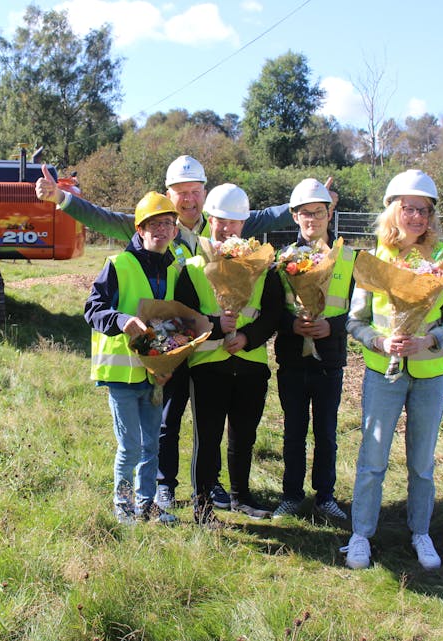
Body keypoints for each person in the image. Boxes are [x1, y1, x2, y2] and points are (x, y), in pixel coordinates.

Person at [37, 155, 297, 514]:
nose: (189, 199)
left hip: (203, 345)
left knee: (207, 424)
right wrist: (62, 198)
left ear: (204, 193)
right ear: (166, 196)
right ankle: (161, 488)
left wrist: (302, 203)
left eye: (195, 191)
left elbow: (263, 216)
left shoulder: (218, 225)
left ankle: (204, 488)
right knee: (165, 423)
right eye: (180, 192)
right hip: (161, 349)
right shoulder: (151, 228)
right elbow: (104, 218)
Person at [343, 169, 443, 570]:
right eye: (408, 208)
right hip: (384, 374)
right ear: (392, 211)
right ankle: (361, 534)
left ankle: (421, 532)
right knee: (373, 458)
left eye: (424, 210)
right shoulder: (375, 261)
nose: (416, 217)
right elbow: (355, 321)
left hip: (430, 376)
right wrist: (381, 342)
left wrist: (428, 341)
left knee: (422, 462)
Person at [174, 184, 283, 527]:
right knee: (207, 438)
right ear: (210, 219)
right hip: (208, 364)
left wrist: (249, 337)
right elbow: (184, 316)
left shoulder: (263, 265)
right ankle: (202, 505)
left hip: (250, 363)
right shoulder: (193, 266)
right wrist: (220, 329)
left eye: (234, 223)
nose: (226, 229)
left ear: (244, 225)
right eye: (221, 221)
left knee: (244, 435)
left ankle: (241, 496)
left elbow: (274, 312)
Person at [84, 192, 182, 525]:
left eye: (168, 223)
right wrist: (122, 320)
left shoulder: (172, 269)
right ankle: (123, 507)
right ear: (139, 229)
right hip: (122, 375)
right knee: (130, 446)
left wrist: (169, 360)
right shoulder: (118, 264)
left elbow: (168, 321)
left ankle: (147, 505)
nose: (162, 229)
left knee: (151, 444)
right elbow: (93, 310)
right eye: (155, 224)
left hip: (155, 374)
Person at [272, 178, 356, 521]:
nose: (312, 219)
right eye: (305, 213)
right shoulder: (280, 260)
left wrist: (332, 327)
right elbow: (269, 308)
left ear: (329, 212)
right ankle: (291, 496)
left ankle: (325, 497)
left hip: (329, 360)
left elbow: (360, 312)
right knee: (293, 432)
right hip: (292, 359)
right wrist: (290, 325)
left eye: (318, 212)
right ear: (294, 216)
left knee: (326, 434)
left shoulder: (348, 258)